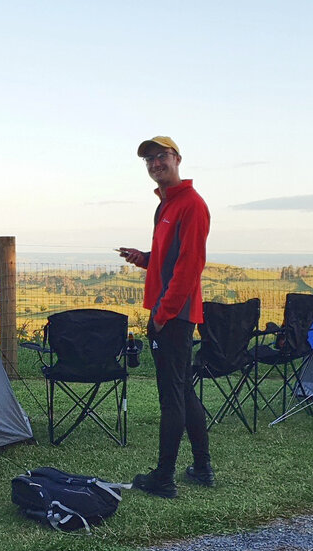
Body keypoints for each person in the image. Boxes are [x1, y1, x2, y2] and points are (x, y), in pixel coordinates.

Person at [117, 136, 213, 499]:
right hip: (170, 312)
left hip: (174, 315)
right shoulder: (166, 206)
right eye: (150, 160)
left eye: (162, 157)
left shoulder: (191, 205)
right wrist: (143, 258)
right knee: (183, 390)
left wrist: (163, 314)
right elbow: (168, 259)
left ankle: (164, 477)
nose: (156, 164)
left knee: (171, 396)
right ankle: (202, 467)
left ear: (177, 159)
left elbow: (190, 266)